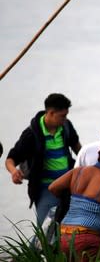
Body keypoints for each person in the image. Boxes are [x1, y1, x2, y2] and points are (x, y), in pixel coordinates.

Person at [5, 93, 81, 226]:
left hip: (69, 186)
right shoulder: (31, 134)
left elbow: (79, 151)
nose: (65, 119)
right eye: (62, 115)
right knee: (45, 230)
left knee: (70, 227)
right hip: (46, 189)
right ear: (51, 113)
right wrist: (14, 172)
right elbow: (11, 159)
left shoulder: (66, 127)